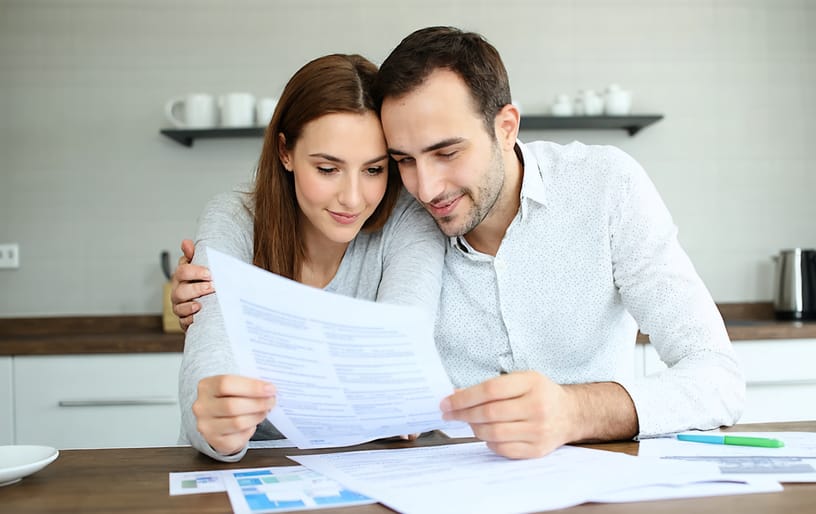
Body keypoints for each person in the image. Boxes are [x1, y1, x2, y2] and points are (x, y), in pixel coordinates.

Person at [173, 27, 745, 460]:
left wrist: (575, 411)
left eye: (447, 153)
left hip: (590, 477)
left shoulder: (606, 188)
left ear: (506, 126)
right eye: (402, 161)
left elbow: (717, 376)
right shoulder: (403, 215)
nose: (426, 187)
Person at [177, 53, 445, 462]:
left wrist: (394, 396)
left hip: (366, 475)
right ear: (285, 152)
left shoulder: (408, 220)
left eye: (373, 170)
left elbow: (400, 355)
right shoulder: (233, 218)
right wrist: (218, 426)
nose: (353, 198)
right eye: (327, 169)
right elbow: (209, 355)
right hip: (248, 472)